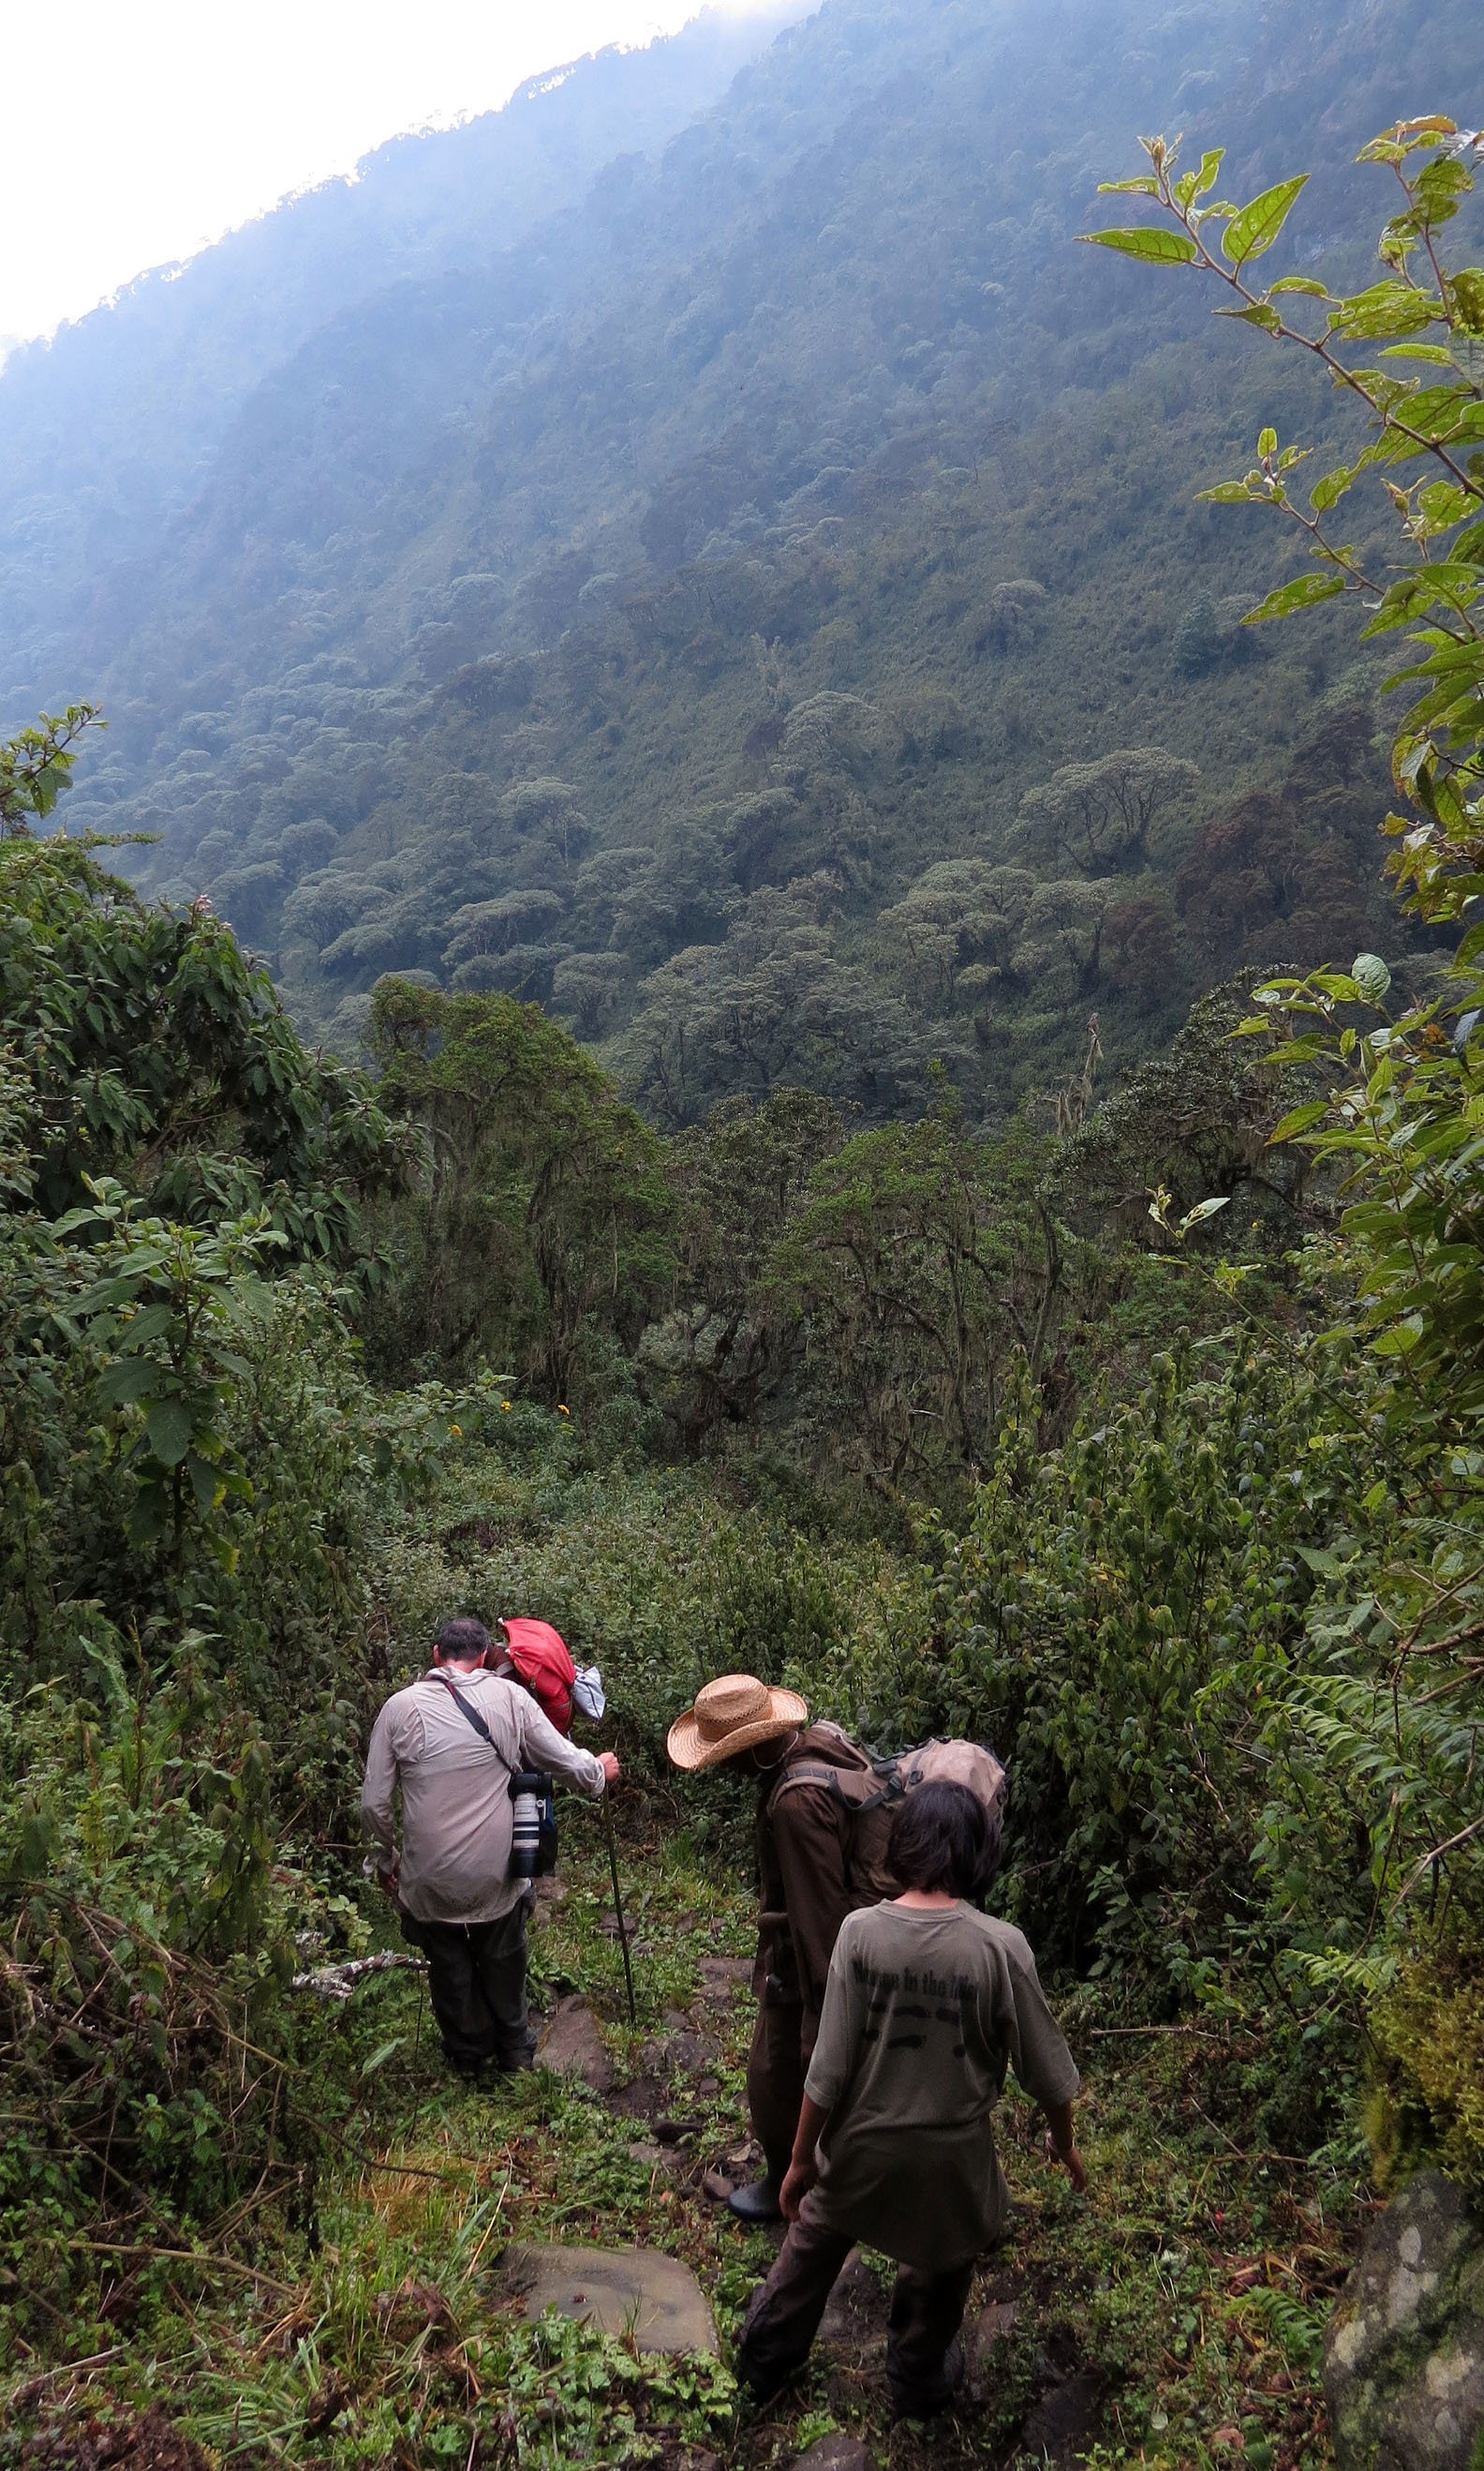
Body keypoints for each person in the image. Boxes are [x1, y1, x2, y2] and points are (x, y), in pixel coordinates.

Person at [735, 1779, 1087, 2422]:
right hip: (954, 2167)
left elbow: (827, 2069)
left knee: (811, 2246)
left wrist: (800, 2159)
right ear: (979, 1853)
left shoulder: (861, 1933)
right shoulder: (1002, 1947)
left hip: (860, 2154)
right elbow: (1051, 2077)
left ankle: (763, 2359)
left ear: (902, 1845)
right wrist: (1063, 2144)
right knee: (944, 2259)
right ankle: (919, 2378)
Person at [362, 1615, 620, 2077]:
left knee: (447, 1957)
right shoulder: (511, 1697)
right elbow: (564, 1761)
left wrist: (387, 1859)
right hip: (497, 1877)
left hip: (429, 1880)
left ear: (435, 1657)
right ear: (484, 1658)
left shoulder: (398, 1709)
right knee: (504, 1946)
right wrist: (599, 1771)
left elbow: (374, 1805)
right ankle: (515, 2049)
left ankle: (467, 2053)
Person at [667, 1672, 881, 2222]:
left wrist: (823, 2012)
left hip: (811, 1956)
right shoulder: (819, 1745)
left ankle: (802, 2181)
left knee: (774, 2075)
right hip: (812, 1942)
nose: (721, 1767)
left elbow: (822, 1923)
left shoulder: (793, 1806)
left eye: (725, 1755)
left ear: (753, 1749)